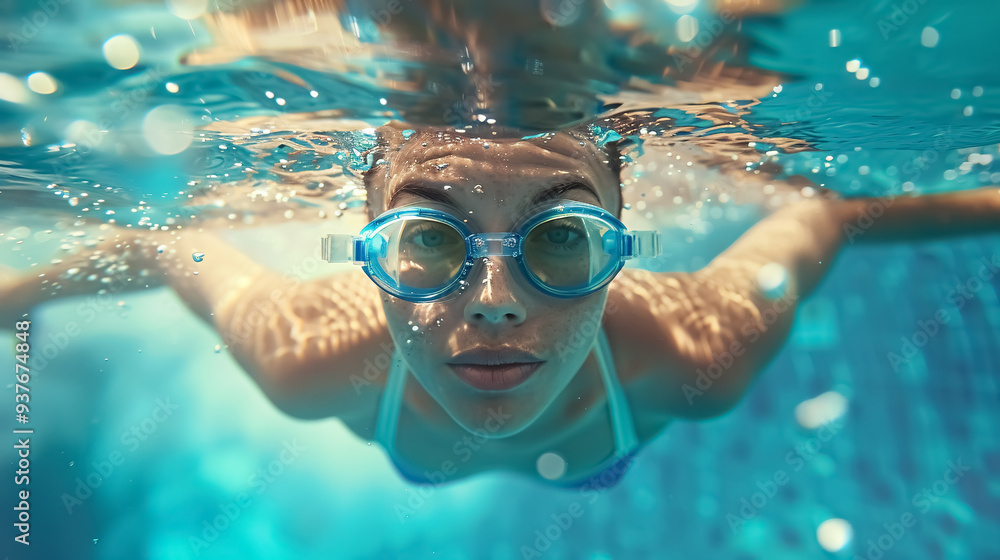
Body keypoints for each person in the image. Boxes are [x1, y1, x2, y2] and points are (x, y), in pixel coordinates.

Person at [2, 123, 999, 488]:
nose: (492, 307)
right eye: (428, 241)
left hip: (595, 457)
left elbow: (828, 216)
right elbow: (164, 239)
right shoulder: (307, 358)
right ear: (367, 244)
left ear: (620, 249)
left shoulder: (694, 353)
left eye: (561, 239)